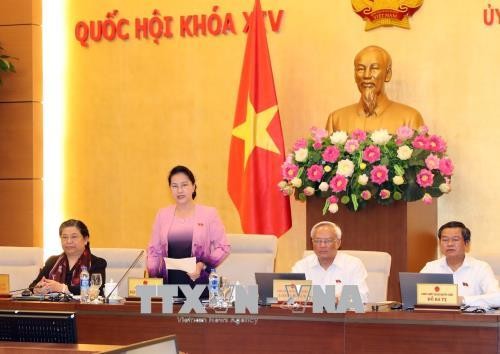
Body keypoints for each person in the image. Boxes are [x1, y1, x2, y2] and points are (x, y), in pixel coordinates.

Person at [147, 165, 230, 298]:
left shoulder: (209, 214)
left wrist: (202, 264)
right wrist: (152, 275)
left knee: (194, 319)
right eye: (174, 186)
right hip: (167, 286)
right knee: (166, 319)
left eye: (184, 185)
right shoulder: (162, 215)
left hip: (198, 283)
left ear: (193, 186)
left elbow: (223, 247)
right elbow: (153, 251)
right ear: (170, 189)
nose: (179, 190)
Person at [326, 45, 424, 134]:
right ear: (354, 75)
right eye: (360, 69)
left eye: (374, 68)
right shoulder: (336, 119)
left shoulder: (410, 119)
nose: (366, 75)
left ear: (388, 73)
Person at [420, 221, 500, 305]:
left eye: (455, 239)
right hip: (437, 316)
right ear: (440, 244)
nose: (450, 244)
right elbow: (415, 294)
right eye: (445, 240)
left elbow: (497, 298)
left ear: (467, 243)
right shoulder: (431, 267)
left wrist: (463, 300)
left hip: (470, 317)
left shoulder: (481, 268)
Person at [292, 221, 369, 303]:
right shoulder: (301, 266)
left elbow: (362, 297)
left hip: (341, 314)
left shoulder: (353, 264)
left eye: (328, 241)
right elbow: (291, 296)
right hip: (309, 315)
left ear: (338, 243)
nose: (322, 245)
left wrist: (338, 300)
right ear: (312, 243)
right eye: (317, 241)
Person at [30, 219, 107, 295]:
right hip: (54, 307)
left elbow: (96, 290)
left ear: (85, 239)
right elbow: (33, 286)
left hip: (83, 307)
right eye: (65, 237)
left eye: (74, 237)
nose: (69, 241)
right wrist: (38, 289)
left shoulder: (97, 263)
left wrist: (62, 288)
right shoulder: (52, 261)